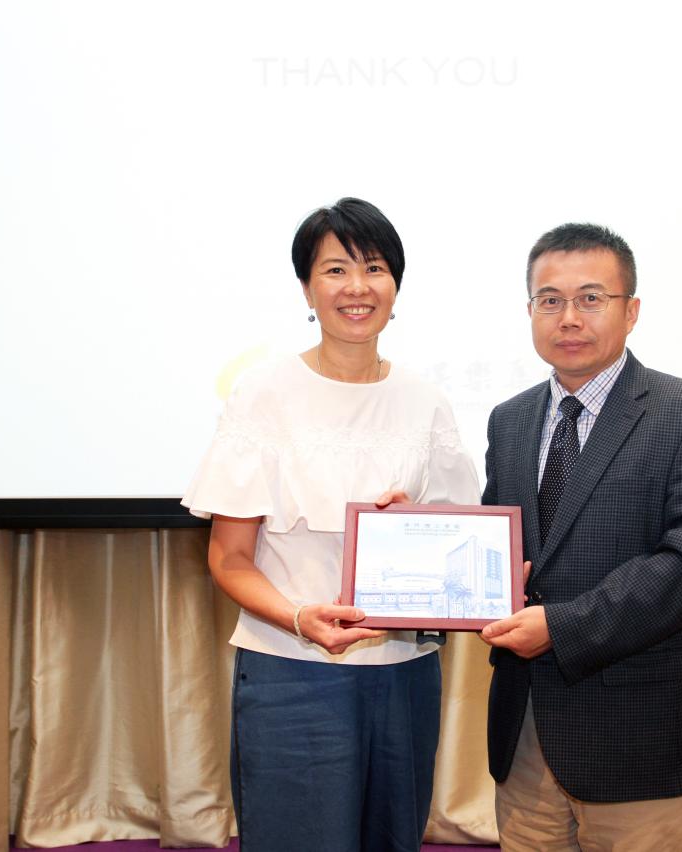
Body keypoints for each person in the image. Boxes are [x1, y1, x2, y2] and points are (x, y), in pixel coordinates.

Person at [182, 197, 480, 852]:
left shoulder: (426, 401)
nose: (357, 287)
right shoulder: (264, 393)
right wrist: (299, 618)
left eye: (374, 268)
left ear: (395, 285)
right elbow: (229, 558)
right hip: (292, 670)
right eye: (336, 270)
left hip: (406, 673)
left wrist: (419, 528)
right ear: (306, 288)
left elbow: (458, 542)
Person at [480, 223, 682, 851]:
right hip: (526, 735)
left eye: (591, 298)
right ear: (530, 311)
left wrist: (563, 626)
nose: (569, 317)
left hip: (642, 735)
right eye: (550, 300)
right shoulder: (510, 420)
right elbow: (500, 544)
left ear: (631, 311)